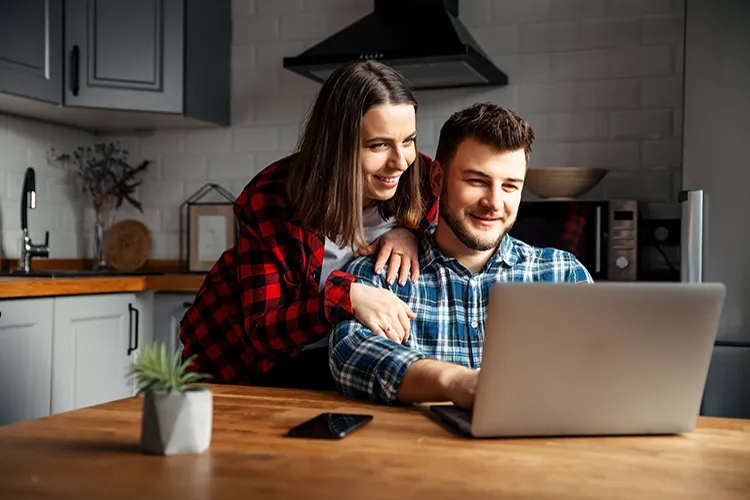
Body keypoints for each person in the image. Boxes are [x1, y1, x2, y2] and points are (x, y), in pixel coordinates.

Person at [180, 61, 438, 390]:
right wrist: (347, 297)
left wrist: (409, 231)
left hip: (340, 364)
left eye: (409, 140)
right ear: (336, 146)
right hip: (243, 366)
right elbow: (263, 330)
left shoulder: (423, 180)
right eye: (379, 145)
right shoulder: (275, 195)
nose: (400, 161)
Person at [329, 102, 593, 408]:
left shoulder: (562, 274)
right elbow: (350, 355)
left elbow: (600, 365)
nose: (494, 203)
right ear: (438, 180)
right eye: (477, 181)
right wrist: (456, 383)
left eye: (510, 186)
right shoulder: (380, 272)